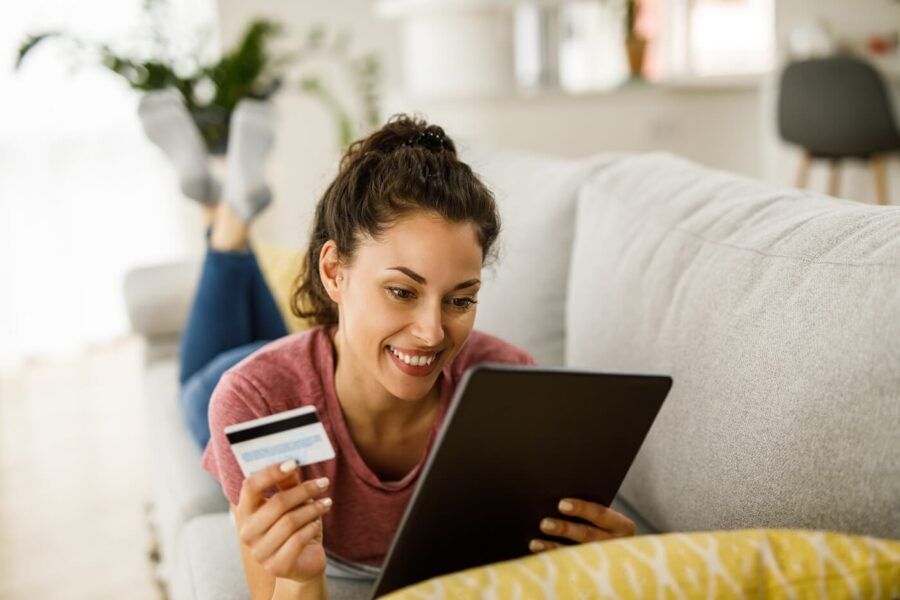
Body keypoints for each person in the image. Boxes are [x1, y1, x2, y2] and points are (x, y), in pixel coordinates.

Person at [141, 100, 635, 600]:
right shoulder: (253, 400)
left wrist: (605, 569)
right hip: (225, 374)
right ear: (333, 271)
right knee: (208, 346)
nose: (432, 334)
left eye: (460, 299)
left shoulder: (510, 384)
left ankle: (225, 217)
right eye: (402, 291)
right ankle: (224, 225)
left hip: (331, 348)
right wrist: (301, 577)